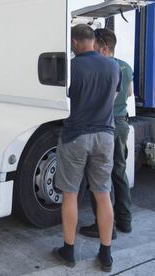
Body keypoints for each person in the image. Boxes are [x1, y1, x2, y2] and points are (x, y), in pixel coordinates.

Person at [52, 24, 121, 272]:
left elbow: (63, 100)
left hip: (76, 136)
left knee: (70, 194)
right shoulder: (113, 65)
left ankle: (68, 251)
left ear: (73, 42)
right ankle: (106, 254)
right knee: (103, 194)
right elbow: (112, 97)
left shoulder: (72, 67)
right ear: (93, 40)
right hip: (105, 135)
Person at [80, 28, 134, 239]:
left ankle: (104, 226)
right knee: (119, 173)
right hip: (121, 124)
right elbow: (128, 93)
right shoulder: (125, 66)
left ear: (102, 47)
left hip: (105, 126)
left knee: (100, 178)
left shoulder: (102, 67)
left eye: (94, 45)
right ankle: (125, 220)